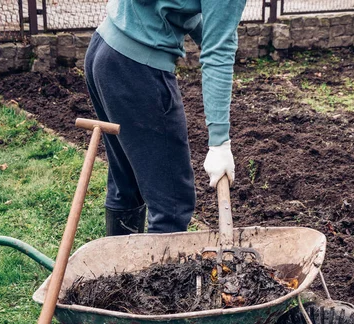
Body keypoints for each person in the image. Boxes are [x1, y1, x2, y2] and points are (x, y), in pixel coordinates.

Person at [84, 0, 245, 236]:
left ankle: (120, 270)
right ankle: (157, 273)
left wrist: (211, 30)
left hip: (105, 49)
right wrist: (219, 143)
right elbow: (217, 54)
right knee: (172, 203)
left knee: (126, 184)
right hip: (138, 71)